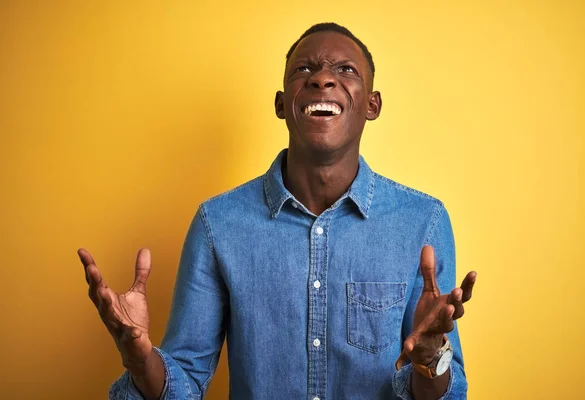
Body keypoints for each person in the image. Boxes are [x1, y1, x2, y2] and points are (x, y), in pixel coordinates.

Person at [78, 22, 477, 400]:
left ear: (372, 105)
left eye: (345, 69)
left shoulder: (422, 221)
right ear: (282, 104)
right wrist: (141, 360)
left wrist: (431, 359)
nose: (322, 78)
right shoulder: (218, 224)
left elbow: (446, 392)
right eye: (304, 69)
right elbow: (185, 381)